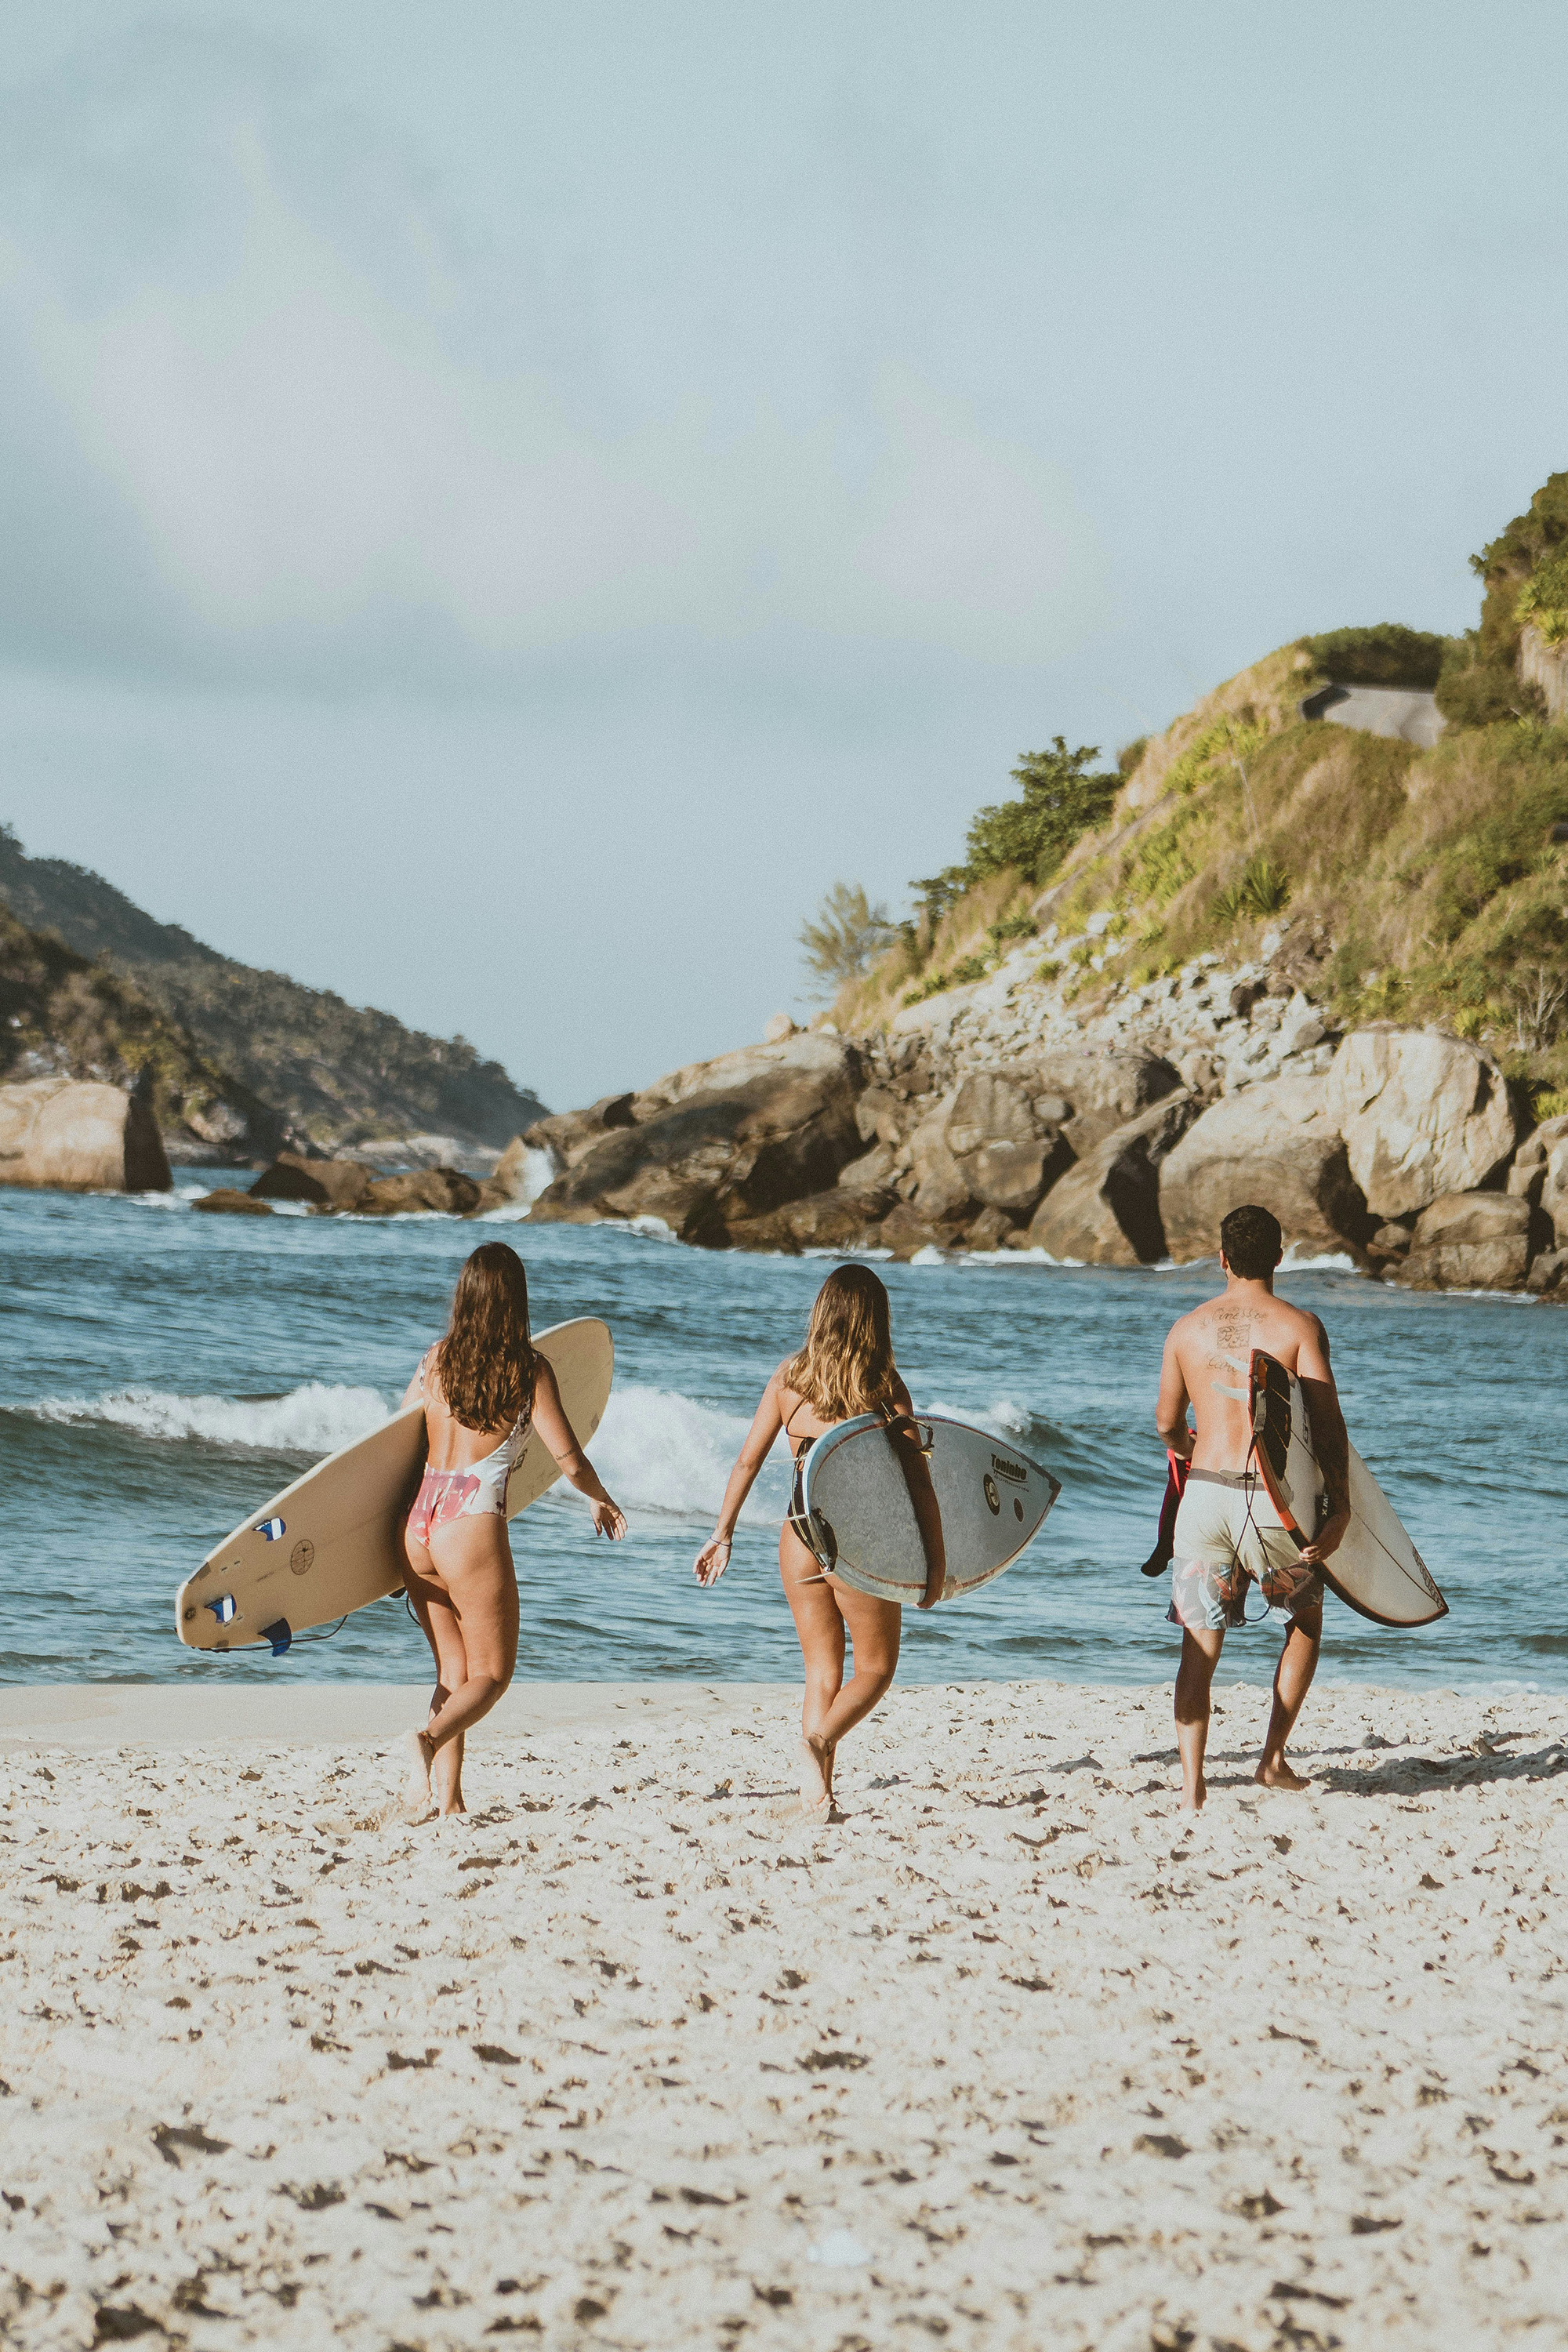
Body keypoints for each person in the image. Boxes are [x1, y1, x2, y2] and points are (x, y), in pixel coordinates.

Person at [693, 1265, 946, 1816]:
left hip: (800, 1530)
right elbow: (919, 1484)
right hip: (863, 1539)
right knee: (875, 1670)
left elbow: (748, 1460)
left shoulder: (789, 1378)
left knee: (821, 1671)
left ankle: (818, 1793)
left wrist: (723, 1534)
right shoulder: (883, 1386)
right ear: (876, 1321)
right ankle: (819, 1742)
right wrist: (937, 1564)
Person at [399, 1241, 626, 1820]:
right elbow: (569, 1459)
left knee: (454, 1673)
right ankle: (424, 1741)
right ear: (516, 1300)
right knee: (493, 1676)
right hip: (469, 1527)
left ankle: (446, 1802)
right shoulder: (527, 1369)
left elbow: (395, 1444)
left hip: (418, 1524)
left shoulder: (434, 1359)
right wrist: (600, 1498)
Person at [1154, 1203, 1350, 1813]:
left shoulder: (1186, 1329)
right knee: (1305, 1621)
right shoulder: (1299, 1326)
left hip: (1206, 1495)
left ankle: (1192, 1788)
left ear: (1221, 1258)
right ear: (1280, 1258)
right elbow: (1325, 1424)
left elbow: (1166, 1425)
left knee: (1199, 1643)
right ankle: (1271, 1760)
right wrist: (1338, 1506)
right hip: (1272, 1501)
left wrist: (1196, 1451)